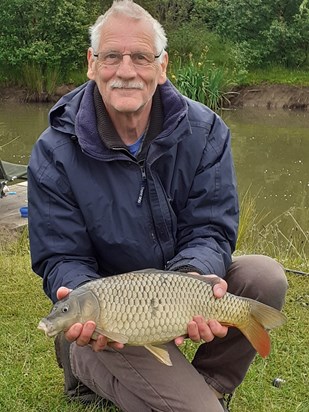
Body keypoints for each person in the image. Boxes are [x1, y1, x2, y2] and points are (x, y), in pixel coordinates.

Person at [28, 1, 288, 411]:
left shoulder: (205, 132)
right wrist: (80, 300)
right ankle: (82, 359)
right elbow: (60, 255)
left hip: (176, 287)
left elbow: (211, 229)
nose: (126, 71)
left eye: (140, 57)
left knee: (265, 277)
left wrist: (195, 279)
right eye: (111, 56)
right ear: (91, 64)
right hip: (111, 316)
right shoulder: (55, 151)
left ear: (161, 66)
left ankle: (210, 384)